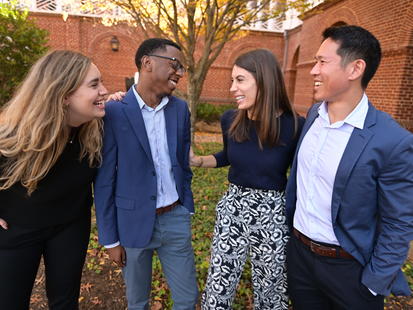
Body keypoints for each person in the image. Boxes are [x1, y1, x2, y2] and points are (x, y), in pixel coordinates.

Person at [285, 25, 413, 310]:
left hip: (350, 272)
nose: (313, 70)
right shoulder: (314, 115)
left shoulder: (392, 141)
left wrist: (373, 282)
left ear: (355, 68)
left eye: (322, 62)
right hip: (300, 259)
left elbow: (399, 222)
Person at [190, 49, 304, 310]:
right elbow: (228, 155)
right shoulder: (230, 119)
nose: (232, 88)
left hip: (272, 213)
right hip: (233, 208)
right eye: (232, 80)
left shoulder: (295, 126)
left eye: (240, 80)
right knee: (219, 284)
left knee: (271, 290)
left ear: (263, 80)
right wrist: (199, 161)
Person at [94, 38, 198, 310]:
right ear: (148, 63)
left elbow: (182, 163)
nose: (179, 72)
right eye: (174, 64)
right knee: (137, 302)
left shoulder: (179, 109)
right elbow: (105, 180)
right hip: (132, 224)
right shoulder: (114, 111)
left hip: (175, 219)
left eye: (182, 68)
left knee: (187, 300)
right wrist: (110, 238)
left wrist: (185, 205)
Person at [0, 50, 108, 310]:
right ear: (64, 94)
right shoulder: (13, 135)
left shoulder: (95, 130)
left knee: (64, 302)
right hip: (16, 229)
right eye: (94, 84)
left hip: (69, 225)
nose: (104, 90)